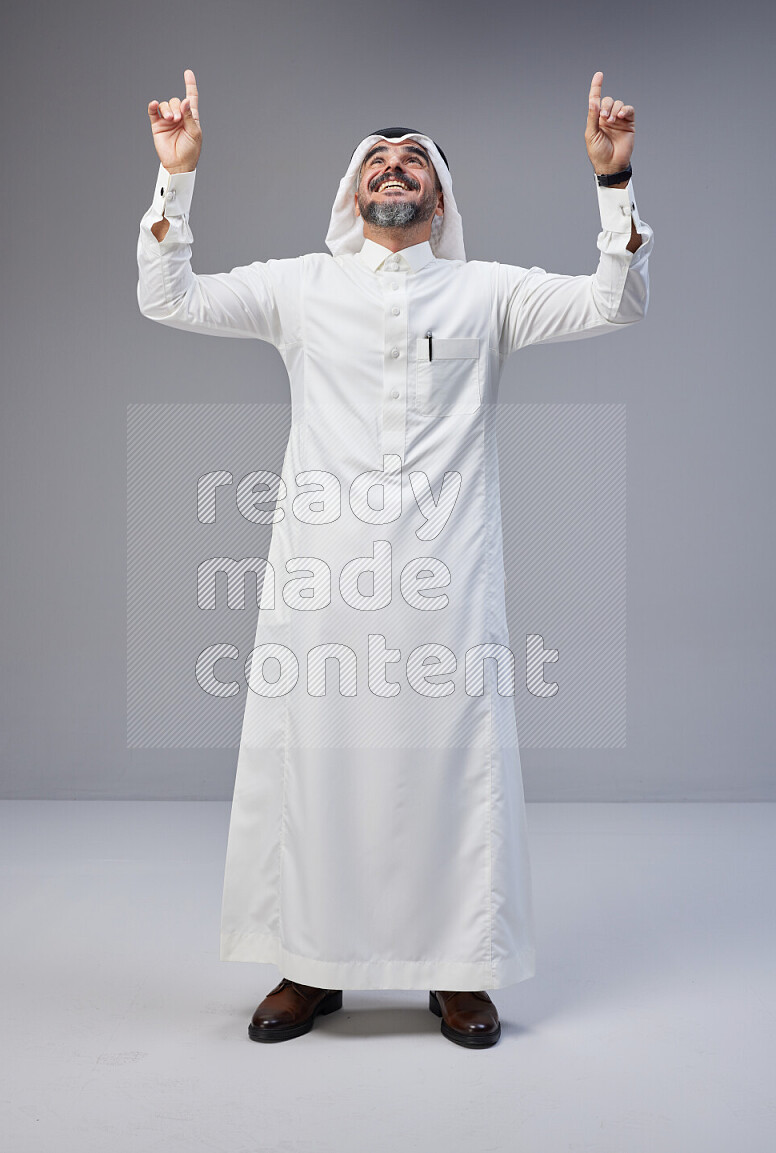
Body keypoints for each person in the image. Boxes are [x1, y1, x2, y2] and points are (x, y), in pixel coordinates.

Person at [137, 68, 653, 1049]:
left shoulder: (484, 293)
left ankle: (457, 972)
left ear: (441, 197)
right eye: (376, 159)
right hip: (320, 578)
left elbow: (612, 302)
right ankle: (308, 965)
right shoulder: (299, 286)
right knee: (317, 767)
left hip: (446, 583)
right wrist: (176, 181)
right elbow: (168, 297)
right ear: (350, 192)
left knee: (448, 768)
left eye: (412, 158)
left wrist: (612, 183)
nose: (393, 168)